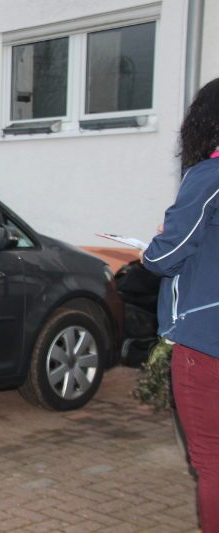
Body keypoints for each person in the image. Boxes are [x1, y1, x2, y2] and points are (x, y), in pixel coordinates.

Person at [143, 77, 219, 531]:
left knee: (211, 461)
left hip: (205, 340)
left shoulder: (208, 176)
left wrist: (149, 248)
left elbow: (166, 255)